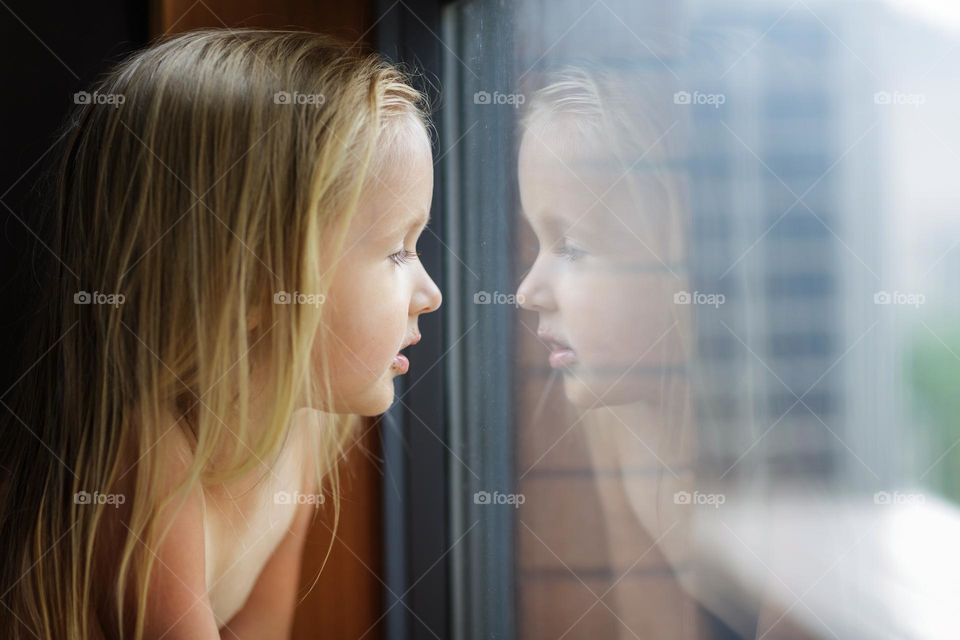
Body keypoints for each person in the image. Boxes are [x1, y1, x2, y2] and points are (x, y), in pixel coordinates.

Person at [0, 28, 441, 639]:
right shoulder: (152, 461)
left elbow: (258, 629)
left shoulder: (306, 423)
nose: (431, 294)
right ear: (256, 282)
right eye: (397, 251)